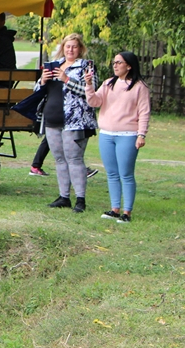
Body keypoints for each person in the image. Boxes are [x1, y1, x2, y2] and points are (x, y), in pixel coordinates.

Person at [85, 51, 151, 223]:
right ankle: (115, 209)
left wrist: (141, 134)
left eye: (119, 63)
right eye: (114, 62)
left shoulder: (139, 87)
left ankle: (127, 212)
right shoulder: (108, 84)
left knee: (126, 174)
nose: (115, 65)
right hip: (107, 134)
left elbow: (144, 112)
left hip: (127, 135)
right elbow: (94, 102)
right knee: (112, 173)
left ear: (128, 66)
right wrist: (89, 85)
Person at [36, 33, 97, 213]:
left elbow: (90, 92)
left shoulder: (86, 66)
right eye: (67, 46)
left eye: (74, 47)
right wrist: (43, 80)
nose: (70, 50)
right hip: (52, 118)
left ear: (80, 49)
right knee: (59, 159)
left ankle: (80, 199)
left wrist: (67, 79)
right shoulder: (55, 65)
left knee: (74, 159)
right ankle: (64, 196)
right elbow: (38, 90)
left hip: (75, 121)